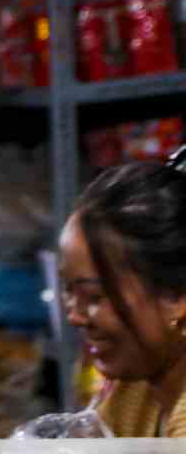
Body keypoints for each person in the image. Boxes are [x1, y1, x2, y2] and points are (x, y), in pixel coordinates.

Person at [59, 150, 186, 437]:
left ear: (176, 296)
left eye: (94, 296)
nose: (75, 316)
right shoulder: (135, 391)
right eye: (69, 290)